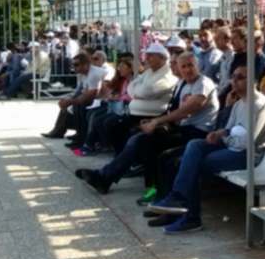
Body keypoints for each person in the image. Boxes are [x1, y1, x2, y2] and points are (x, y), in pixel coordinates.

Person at [145, 64, 265, 233]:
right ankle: (176, 203)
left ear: (253, 81)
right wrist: (218, 134)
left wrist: (225, 135)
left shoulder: (258, 105)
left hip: (247, 155)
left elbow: (245, 143)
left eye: (240, 77)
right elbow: (229, 130)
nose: (234, 80)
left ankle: (190, 216)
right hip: (233, 147)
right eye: (233, 76)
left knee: (193, 164)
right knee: (194, 145)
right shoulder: (239, 103)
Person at [75, 52, 218, 195]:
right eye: (184, 66)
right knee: (140, 136)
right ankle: (109, 177)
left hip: (199, 134)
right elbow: (174, 111)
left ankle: (111, 178)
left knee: (144, 141)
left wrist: (157, 121)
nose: (187, 69)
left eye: (191, 65)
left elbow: (187, 110)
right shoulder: (183, 83)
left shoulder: (203, 83)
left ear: (198, 66)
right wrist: (153, 121)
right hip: (183, 129)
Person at [40, 52, 106, 141]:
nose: (73, 67)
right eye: (73, 64)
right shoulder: (83, 74)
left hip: (103, 100)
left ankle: (81, 136)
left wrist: (71, 101)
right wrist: (68, 99)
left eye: (76, 65)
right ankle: (70, 133)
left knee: (79, 105)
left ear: (86, 65)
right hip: (95, 98)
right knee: (72, 104)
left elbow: (91, 94)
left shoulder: (94, 74)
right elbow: (82, 91)